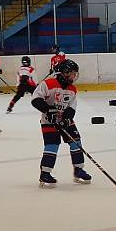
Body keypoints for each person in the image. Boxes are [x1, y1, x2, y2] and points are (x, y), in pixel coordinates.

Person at [30, 59, 91, 188]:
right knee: (52, 145)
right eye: (73, 73)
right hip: (48, 121)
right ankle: (45, 173)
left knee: (76, 141)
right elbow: (36, 99)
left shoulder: (72, 89)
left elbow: (71, 108)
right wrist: (48, 110)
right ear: (65, 72)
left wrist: (65, 119)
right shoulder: (48, 83)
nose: (75, 76)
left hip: (66, 121)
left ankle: (78, 170)